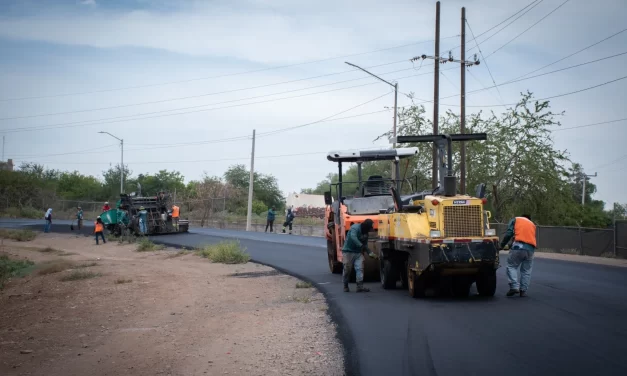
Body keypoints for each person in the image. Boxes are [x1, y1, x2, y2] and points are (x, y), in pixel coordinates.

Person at [500, 214, 537, 297]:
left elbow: (509, 234)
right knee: (526, 271)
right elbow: (523, 238)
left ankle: (514, 286)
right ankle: (523, 291)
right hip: (530, 249)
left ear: (522, 216)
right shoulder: (532, 225)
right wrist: (510, 245)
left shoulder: (516, 220)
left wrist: (502, 245)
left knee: (511, 266)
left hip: (518, 247)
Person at [342, 219, 378, 293]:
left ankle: (359, 287)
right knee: (347, 270)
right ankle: (345, 285)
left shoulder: (366, 234)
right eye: (369, 229)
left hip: (358, 253)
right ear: (366, 227)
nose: (369, 231)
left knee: (360, 268)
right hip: (348, 252)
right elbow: (353, 237)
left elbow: (365, 245)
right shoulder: (355, 228)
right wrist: (360, 245)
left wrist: (370, 253)